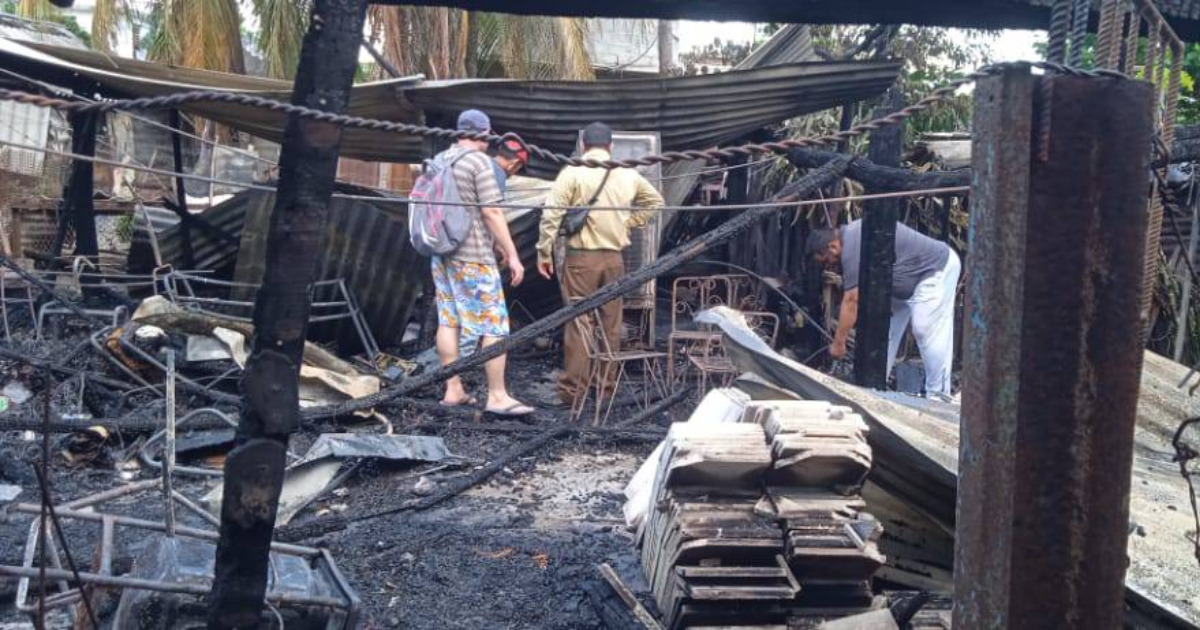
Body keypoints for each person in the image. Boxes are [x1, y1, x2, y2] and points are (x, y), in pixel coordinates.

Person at [536, 122, 665, 406]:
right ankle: (605, 390)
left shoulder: (573, 171)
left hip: (581, 258)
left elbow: (552, 214)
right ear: (610, 147)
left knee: (580, 322)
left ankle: (573, 393)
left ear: (583, 146)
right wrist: (627, 222)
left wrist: (544, 252)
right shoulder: (627, 173)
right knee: (611, 324)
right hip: (615, 260)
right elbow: (655, 202)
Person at [430, 109, 534, 416]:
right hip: (473, 256)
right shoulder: (479, 163)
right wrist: (512, 254)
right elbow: (491, 212)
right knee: (494, 324)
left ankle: (453, 389)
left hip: (442, 255)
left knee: (449, 319)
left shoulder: (440, 159)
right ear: (485, 134)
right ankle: (498, 396)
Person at [807, 220, 961, 397]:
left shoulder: (851, 246)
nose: (830, 266)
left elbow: (851, 300)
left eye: (827, 261)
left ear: (833, 246)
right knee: (882, 331)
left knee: (925, 328)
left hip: (935, 267)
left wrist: (838, 343)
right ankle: (874, 387)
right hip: (901, 282)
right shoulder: (853, 238)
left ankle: (939, 395)